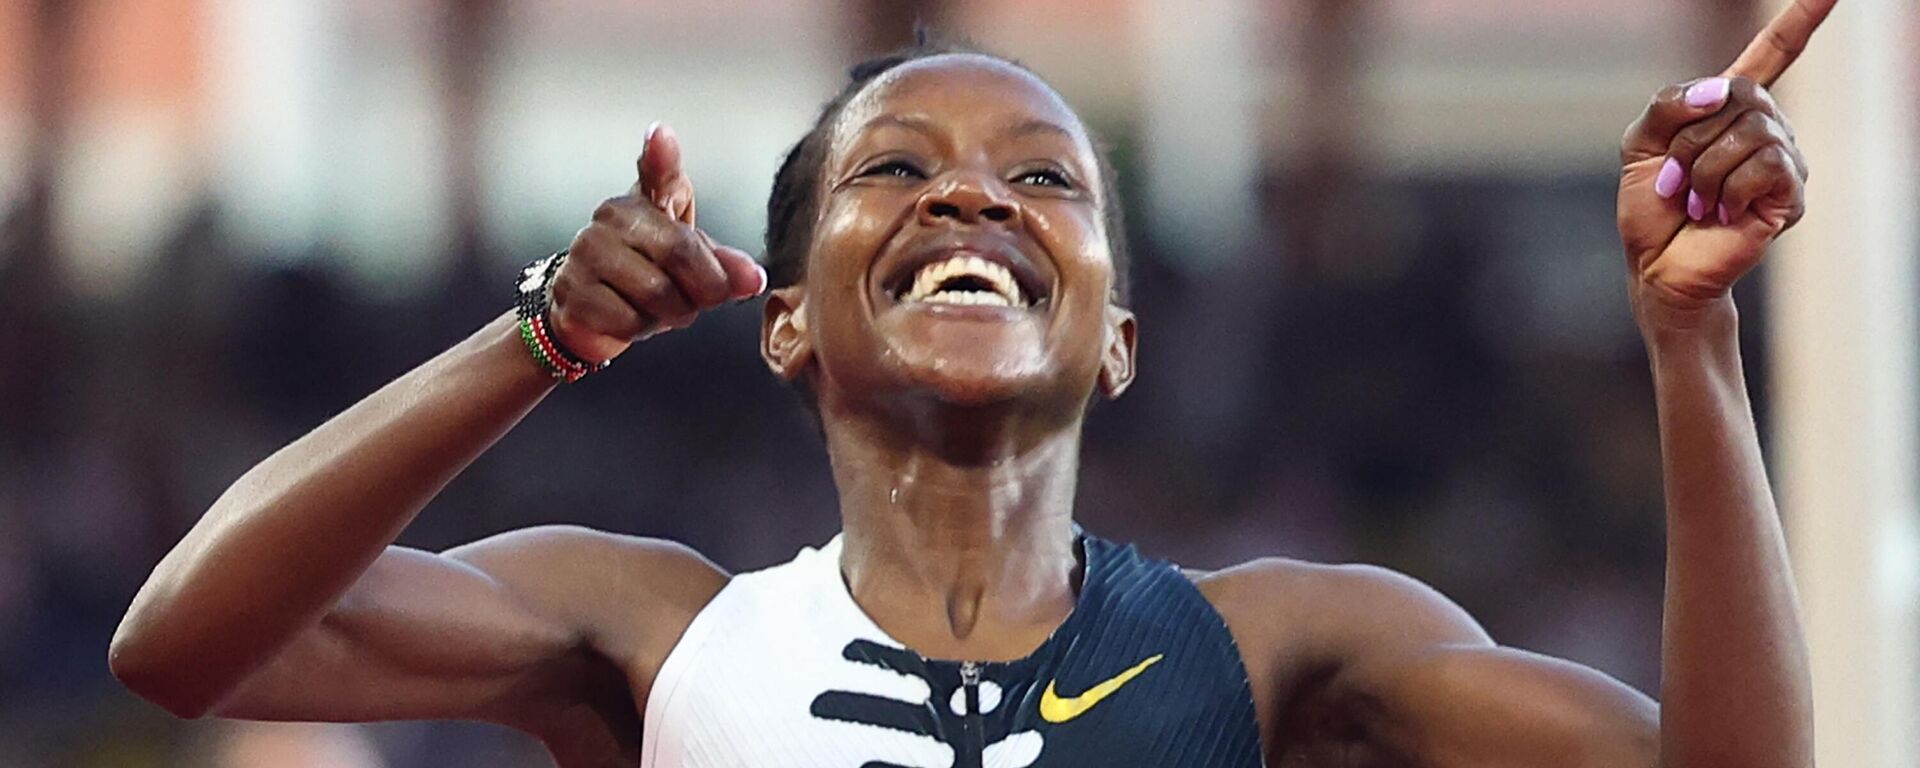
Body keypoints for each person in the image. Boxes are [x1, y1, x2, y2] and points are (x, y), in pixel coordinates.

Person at [110, 3, 1833, 765]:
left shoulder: (1281, 650)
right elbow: (185, 644)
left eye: (1048, 177)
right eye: (895, 168)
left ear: (1120, 337)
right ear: (783, 321)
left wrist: (1689, 338)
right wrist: (536, 340)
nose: (971, 194)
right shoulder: (650, 636)